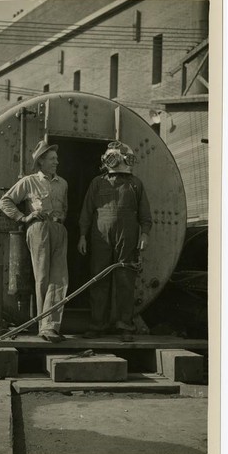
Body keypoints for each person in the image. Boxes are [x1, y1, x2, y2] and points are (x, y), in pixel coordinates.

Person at [77, 140, 152, 342]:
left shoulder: (135, 183)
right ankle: (97, 325)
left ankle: (125, 326)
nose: (115, 161)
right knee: (98, 278)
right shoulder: (97, 182)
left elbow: (145, 214)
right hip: (100, 236)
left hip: (127, 236)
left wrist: (144, 234)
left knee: (125, 279)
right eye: (111, 157)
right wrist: (83, 235)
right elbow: (87, 211)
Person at [0, 140, 68, 343]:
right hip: (39, 229)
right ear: (42, 161)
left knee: (60, 279)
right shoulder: (29, 181)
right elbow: (5, 201)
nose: (57, 162)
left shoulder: (63, 183)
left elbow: (65, 207)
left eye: (56, 159)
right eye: (52, 159)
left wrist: (61, 220)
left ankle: (52, 327)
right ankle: (44, 327)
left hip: (59, 229)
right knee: (43, 278)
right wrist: (23, 218)